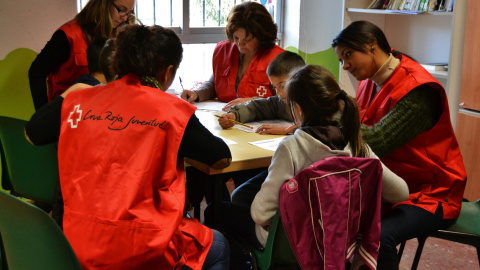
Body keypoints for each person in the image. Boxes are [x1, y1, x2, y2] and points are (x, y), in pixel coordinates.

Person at [25, 25, 232, 270]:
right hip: (140, 245)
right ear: (166, 73)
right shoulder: (171, 110)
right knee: (219, 246)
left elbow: (31, 134)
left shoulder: (78, 102)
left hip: (73, 240)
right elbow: (221, 159)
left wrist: (72, 92)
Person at [205, 65, 409, 267]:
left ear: (298, 109)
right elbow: (400, 192)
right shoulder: (357, 145)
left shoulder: (292, 148)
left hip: (290, 246)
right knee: (242, 196)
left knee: (216, 211)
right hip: (341, 243)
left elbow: (261, 214)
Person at [332, 20, 467, 270]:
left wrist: (326, 117)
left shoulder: (418, 89)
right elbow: (359, 125)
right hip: (390, 185)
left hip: (429, 193)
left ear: (372, 46)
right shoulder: (370, 81)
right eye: (341, 60)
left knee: (380, 238)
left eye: (348, 55)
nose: (345, 65)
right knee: (327, 213)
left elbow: (378, 141)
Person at [29, 0, 135, 111]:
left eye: (129, 13)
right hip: (68, 115)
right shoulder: (68, 36)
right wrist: (43, 116)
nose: (125, 18)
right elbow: (36, 72)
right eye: (122, 10)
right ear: (103, 4)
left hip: (100, 113)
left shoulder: (116, 34)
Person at [180, 1, 284, 112]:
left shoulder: (279, 60)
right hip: (225, 118)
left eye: (247, 40)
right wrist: (197, 93)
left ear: (262, 37)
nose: (239, 44)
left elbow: (286, 102)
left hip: (262, 123)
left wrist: (253, 102)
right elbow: (215, 83)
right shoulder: (223, 50)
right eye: (236, 37)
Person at [217, 51, 304, 135]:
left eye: (282, 86)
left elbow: (316, 127)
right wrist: (234, 116)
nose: (278, 93)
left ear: (300, 79)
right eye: (274, 87)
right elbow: (257, 108)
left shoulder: (314, 101)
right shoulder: (280, 102)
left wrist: (288, 130)